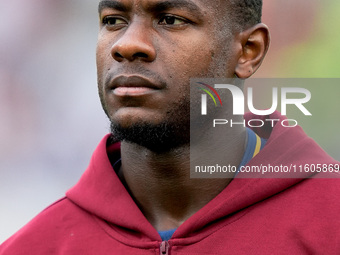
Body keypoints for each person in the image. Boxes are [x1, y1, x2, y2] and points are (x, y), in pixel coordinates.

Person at [1, 0, 339, 254]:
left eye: (170, 19)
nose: (127, 44)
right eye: (114, 20)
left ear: (248, 51)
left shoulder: (329, 224)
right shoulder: (35, 247)